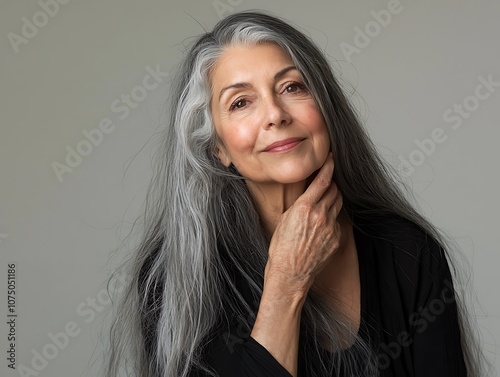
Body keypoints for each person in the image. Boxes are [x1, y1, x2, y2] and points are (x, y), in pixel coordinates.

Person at [106, 11, 485, 377]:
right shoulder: (178, 279)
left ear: (326, 108)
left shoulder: (407, 250)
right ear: (217, 149)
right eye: (241, 102)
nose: (275, 114)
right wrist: (286, 282)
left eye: (292, 87)